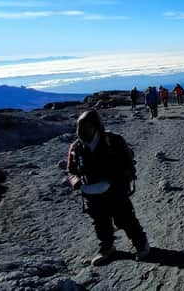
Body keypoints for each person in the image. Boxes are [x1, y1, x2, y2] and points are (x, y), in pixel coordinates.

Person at [66, 110, 149, 266]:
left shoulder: (113, 141)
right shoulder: (76, 147)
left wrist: (119, 179)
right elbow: (71, 170)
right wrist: (75, 181)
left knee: (125, 219)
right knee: (100, 222)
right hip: (91, 192)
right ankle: (107, 248)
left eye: (87, 126)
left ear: (96, 126)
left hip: (115, 189)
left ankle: (141, 244)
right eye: (81, 127)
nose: (83, 130)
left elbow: (128, 163)